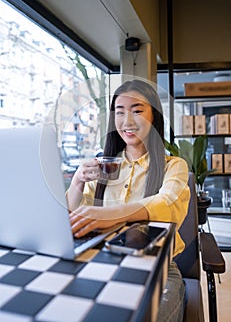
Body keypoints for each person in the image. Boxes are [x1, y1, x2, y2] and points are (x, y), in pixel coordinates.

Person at [67, 79, 190, 321]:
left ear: (154, 116)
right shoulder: (104, 166)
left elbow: (167, 203)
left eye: (137, 111)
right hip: (104, 263)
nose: (127, 121)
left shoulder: (173, 166)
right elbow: (73, 215)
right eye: (120, 112)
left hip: (160, 270)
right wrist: (77, 182)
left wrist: (108, 214)